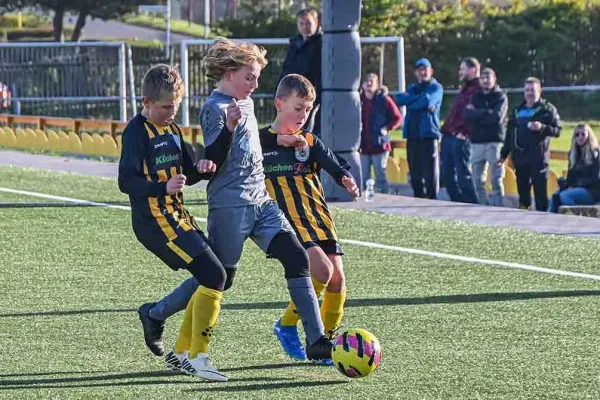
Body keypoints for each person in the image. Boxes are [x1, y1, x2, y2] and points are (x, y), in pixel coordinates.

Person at [137, 38, 334, 369]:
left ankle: (315, 342)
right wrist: (228, 127)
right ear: (228, 74)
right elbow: (215, 153)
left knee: (297, 257)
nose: (255, 84)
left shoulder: (247, 102)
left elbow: (253, 139)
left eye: (256, 77)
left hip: (261, 200)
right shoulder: (215, 108)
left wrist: (278, 139)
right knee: (218, 278)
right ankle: (156, 312)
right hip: (230, 206)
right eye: (249, 77)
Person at [118, 64, 228, 381]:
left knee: (215, 275)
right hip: (155, 224)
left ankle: (155, 316)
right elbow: (126, 181)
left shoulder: (173, 130)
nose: (172, 112)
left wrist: (204, 167)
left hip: (178, 217)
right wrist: (160, 188)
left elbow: (189, 173)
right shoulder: (136, 132)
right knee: (214, 274)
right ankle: (196, 357)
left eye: (176, 106)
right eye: (166, 107)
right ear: (146, 102)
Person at [259, 74, 359, 362]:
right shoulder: (262, 142)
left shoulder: (310, 141)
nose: (303, 115)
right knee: (322, 271)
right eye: (298, 107)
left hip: (319, 217)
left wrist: (346, 179)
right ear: (279, 103)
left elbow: (333, 162)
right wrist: (279, 139)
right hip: (289, 222)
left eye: (308, 109)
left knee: (338, 280)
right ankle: (288, 324)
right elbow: (245, 147)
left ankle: (324, 343)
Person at [500, 77, 561, 211]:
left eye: (532, 90)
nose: (529, 93)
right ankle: (525, 224)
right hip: (520, 158)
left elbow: (558, 131)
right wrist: (503, 154)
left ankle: (543, 224)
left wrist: (542, 127)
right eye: (527, 90)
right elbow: (510, 134)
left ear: (539, 90)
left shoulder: (547, 109)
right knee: (523, 197)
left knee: (540, 196)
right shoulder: (517, 111)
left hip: (538, 159)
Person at [396, 58, 443, 199]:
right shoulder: (413, 88)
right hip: (412, 134)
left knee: (430, 172)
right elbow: (400, 100)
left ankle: (432, 200)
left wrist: (412, 102)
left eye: (425, 69)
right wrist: (418, 100)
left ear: (431, 71)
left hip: (428, 135)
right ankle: (418, 197)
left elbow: (427, 101)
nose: (422, 72)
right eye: (419, 70)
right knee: (415, 171)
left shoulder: (436, 87)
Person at [464, 67, 508, 206]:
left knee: (496, 179)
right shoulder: (475, 96)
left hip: (494, 143)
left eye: (488, 77)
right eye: (482, 78)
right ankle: (484, 207)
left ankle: (499, 208)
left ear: (494, 79)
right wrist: (485, 113)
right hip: (477, 142)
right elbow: (467, 115)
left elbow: (497, 117)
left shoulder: (501, 96)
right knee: (477, 180)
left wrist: (477, 113)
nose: (485, 80)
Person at [440, 57, 480, 204]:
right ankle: (458, 204)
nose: (460, 72)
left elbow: (474, 116)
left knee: (463, 176)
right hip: (449, 135)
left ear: (473, 70)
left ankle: (472, 205)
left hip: (461, 138)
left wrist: (464, 133)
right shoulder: (464, 89)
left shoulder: (478, 90)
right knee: (447, 176)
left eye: (463, 69)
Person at [279, 7, 323, 135]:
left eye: (308, 23)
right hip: (291, 94)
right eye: (301, 23)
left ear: (316, 22)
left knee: (306, 133)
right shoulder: (294, 44)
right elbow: (286, 68)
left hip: (310, 96)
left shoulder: (322, 43)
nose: (305, 27)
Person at [359, 72, 403, 193]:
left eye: (371, 81)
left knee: (380, 177)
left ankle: (383, 200)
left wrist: (387, 128)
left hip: (380, 145)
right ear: (362, 85)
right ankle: (365, 203)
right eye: (366, 81)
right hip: (363, 145)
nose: (369, 83)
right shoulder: (359, 101)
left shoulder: (384, 100)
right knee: (363, 178)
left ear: (377, 85)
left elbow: (398, 118)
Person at [549, 124, 600, 213]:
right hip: (576, 188)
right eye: (577, 134)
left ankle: (575, 218)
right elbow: (571, 177)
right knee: (555, 196)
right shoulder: (573, 154)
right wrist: (564, 184)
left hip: (592, 191)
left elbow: (595, 178)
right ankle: (550, 220)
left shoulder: (595, 153)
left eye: (583, 134)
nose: (580, 137)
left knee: (565, 196)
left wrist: (575, 186)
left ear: (589, 135)